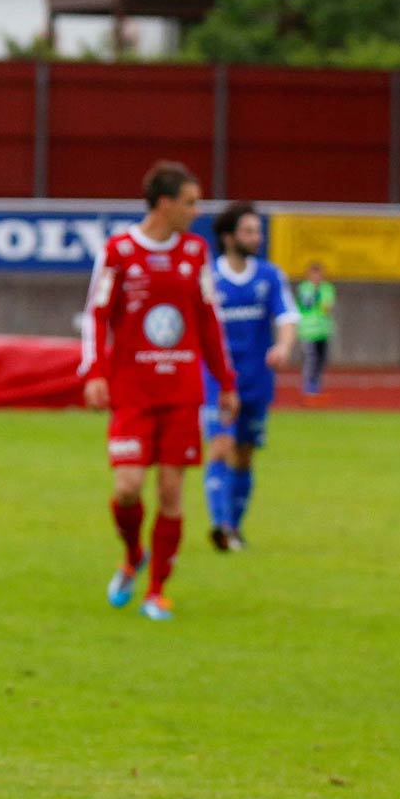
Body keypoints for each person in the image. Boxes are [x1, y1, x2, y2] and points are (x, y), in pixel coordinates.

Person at [81, 161, 237, 622]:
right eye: (190, 202)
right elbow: (96, 314)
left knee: (171, 492)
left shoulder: (195, 251)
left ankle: (157, 592)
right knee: (128, 487)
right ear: (164, 204)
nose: (197, 210)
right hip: (132, 390)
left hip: (182, 390)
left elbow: (209, 320)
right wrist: (94, 371)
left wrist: (225, 382)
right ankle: (133, 555)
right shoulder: (119, 251)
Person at [201, 203, 296, 552]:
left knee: (244, 455)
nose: (258, 237)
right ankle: (220, 526)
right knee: (221, 446)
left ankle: (234, 528)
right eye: (249, 231)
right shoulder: (208, 277)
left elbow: (287, 316)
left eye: (258, 231)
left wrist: (284, 347)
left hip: (256, 378)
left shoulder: (270, 276)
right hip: (216, 377)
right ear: (228, 237)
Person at [295, 262, 336, 402]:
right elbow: (308, 304)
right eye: (314, 274)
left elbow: (328, 307)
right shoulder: (304, 288)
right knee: (310, 360)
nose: (317, 277)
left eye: (319, 274)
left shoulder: (327, 288)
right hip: (308, 331)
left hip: (323, 330)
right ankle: (308, 388)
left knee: (321, 360)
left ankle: (316, 387)